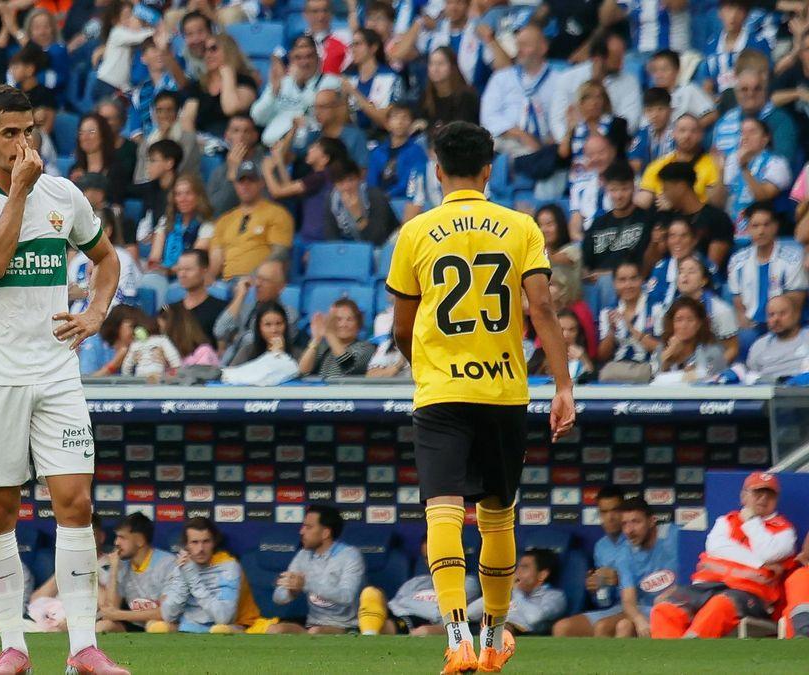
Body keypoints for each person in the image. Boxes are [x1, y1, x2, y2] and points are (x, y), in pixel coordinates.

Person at [0, 84, 129, 675]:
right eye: (12, 132)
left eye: (31, 131)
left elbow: (107, 259)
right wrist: (18, 192)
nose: (24, 144)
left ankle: (83, 648)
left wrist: (96, 313)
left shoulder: (64, 194)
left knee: (76, 503)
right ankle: (13, 647)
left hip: (56, 372)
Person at [385, 121, 575, 673]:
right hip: (503, 391)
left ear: (437, 170)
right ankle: (494, 639)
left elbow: (402, 325)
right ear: (490, 169)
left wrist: (427, 366)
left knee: (442, 508)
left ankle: (455, 634)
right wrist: (562, 387)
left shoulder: (416, 231)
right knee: (497, 516)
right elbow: (542, 310)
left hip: (443, 390)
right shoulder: (520, 227)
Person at [652, 472, 797, 639]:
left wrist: (751, 522)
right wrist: (760, 565)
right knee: (665, 608)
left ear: (776, 499)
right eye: (757, 492)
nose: (763, 498)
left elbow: (767, 552)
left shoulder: (785, 531)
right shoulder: (726, 520)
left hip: (749, 594)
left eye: (769, 494)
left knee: (720, 604)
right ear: (744, 496)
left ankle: (687, 656)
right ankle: (667, 660)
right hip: (705, 587)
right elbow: (716, 547)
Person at [266, 506, 365, 635]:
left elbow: (347, 597)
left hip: (346, 627)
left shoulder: (350, 555)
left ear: (325, 533)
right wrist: (291, 591)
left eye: (308, 527)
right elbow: (278, 597)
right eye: (303, 526)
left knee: (316, 632)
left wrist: (305, 584)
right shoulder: (303, 555)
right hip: (312, 625)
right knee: (275, 629)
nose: (301, 532)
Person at [157, 517, 260, 634]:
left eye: (206, 542)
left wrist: (192, 577)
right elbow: (168, 615)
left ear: (214, 543)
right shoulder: (182, 566)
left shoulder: (228, 567)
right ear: (186, 545)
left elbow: (224, 618)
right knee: (156, 627)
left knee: (220, 630)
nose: (200, 549)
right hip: (188, 627)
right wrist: (182, 575)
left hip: (227, 627)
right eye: (194, 542)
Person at [552, 487, 629, 637]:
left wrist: (620, 579)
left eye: (615, 510)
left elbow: (651, 582)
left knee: (602, 628)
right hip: (613, 609)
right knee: (562, 628)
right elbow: (604, 602)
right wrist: (597, 588)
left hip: (638, 606)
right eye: (604, 512)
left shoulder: (636, 538)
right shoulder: (601, 546)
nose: (610, 517)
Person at [729, 203, 806, 349]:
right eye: (755, 226)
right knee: (744, 338)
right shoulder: (736, 261)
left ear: (775, 226)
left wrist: (778, 324)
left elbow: (796, 302)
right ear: (748, 229)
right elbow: (738, 303)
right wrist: (743, 321)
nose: (761, 231)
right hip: (753, 326)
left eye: (766, 225)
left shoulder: (793, 259)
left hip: (785, 324)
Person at [583, 163, 658, 309]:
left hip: (633, 282)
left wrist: (609, 274)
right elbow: (585, 266)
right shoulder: (598, 224)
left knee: (608, 281)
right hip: (599, 286)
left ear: (633, 187)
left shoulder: (647, 219)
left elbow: (645, 265)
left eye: (624, 189)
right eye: (613, 189)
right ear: (606, 189)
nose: (618, 196)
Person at [608, 498, 682, 638]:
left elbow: (697, 575)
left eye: (636, 522)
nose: (629, 530)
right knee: (624, 626)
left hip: (681, 606)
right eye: (624, 524)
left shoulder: (675, 536)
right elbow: (628, 600)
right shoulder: (624, 553)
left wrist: (674, 592)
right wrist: (639, 620)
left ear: (651, 521)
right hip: (649, 611)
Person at [209, 161, 294, 281]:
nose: (245, 185)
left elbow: (280, 253)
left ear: (261, 183)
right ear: (235, 185)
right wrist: (209, 281)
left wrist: (255, 274)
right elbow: (216, 256)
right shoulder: (225, 219)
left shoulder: (277, 213)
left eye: (251, 180)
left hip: (259, 281)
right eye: (241, 181)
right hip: (226, 283)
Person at [480, 25, 556, 158]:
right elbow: (488, 116)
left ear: (543, 48)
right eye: (518, 45)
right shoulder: (501, 77)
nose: (519, 50)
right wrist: (520, 134)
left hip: (547, 144)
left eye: (525, 45)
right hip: (507, 141)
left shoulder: (558, 80)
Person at [250, 35, 339, 148]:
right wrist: (273, 93)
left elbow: (322, 119)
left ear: (318, 58)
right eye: (298, 57)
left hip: (309, 148)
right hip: (271, 148)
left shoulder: (330, 83)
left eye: (309, 56)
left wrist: (303, 83)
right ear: (291, 59)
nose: (304, 63)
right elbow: (257, 117)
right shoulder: (282, 83)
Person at [549, 33, 642, 138]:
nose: (622, 64)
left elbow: (631, 122)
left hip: (613, 146)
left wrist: (601, 144)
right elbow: (557, 121)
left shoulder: (629, 82)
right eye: (616, 59)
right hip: (573, 145)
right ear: (598, 58)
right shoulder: (568, 78)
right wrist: (574, 144)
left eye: (622, 57)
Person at [98, 512, 177, 633]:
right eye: (117, 537)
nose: (116, 543)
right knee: (102, 626)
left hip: (165, 624)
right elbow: (109, 612)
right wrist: (114, 569)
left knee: (155, 626)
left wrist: (119, 615)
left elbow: (165, 612)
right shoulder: (121, 565)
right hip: (134, 625)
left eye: (122, 537)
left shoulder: (168, 564)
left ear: (140, 540)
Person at [263, 135, 349, 243]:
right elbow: (288, 187)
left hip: (317, 239)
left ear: (324, 159)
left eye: (315, 147)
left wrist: (266, 170)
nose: (310, 149)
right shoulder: (321, 176)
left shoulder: (319, 177)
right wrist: (280, 161)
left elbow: (277, 192)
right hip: (315, 237)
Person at [404, 0, 504, 90]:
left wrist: (490, 40)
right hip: (439, 99)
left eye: (459, 2)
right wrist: (419, 22)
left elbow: (505, 67)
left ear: (468, 5)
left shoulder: (478, 32)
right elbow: (398, 54)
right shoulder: (435, 33)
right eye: (449, 2)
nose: (453, 7)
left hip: (472, 101)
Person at [465, 549, 567, 637]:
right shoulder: (510, 592)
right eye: (518, 567)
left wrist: (517, 591)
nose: (517, 572)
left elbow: (535, 619)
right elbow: (470, 613)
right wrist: (500, 593)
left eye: (524, 567)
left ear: (542, 575)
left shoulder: (554, 596)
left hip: (524, 636)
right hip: (488, 630)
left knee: (499, 626)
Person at [177, 32, 258, 142]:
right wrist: (194, 143)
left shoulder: (245, 81)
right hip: (202, 143)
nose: (208, 54)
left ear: (229, 51)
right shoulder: (199, 85)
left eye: (213, 49)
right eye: (205, 50)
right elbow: (187, 118)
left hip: (234, 143)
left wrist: (227, 73)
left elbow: (231, 108)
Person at [215, 261, 298, 364]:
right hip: (229, 368)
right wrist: (240, 296)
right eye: (257, 278)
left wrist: (236, 337)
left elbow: (255, 341)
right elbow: (220, 331)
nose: (258, 284)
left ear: (280, 287)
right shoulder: (245, 309)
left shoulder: (288, 314)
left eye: (265, 280)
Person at [713, 67, 798, 166]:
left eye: (757, 89)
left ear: (765, 92)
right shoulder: (725, 121)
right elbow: (715, 159)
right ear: (736, 93)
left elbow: (782, 163)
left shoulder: (781, 121)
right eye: (744, 89)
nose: (751, 94)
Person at [656, 162, 734, 270]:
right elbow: (659, 261)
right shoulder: (669, 219)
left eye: (666, 189)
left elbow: (712, 267)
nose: (664, 194)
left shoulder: (717, 218)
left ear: (680, 187)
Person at [638, 114, 722, 210]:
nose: (687, 136)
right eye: (682, 130)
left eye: (693, 131)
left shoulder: (712, 164)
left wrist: (676, 203)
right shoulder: (657, 165)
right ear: (673, 134)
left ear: (701, 135)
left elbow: (716, 205)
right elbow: (643, 200)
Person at [723, 118, 793, 230]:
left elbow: (763, 197)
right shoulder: (732, 160)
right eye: (742, 132)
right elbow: (725, 198)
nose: (745, 137)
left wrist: (744, 169)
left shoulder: (776, 162)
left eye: (752, 132)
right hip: (733, 227)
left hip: (763, 229)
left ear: (765, 139)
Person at [368, 103, 428, 220]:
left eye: (405, 117)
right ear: (387, 123)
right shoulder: (377, 152)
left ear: (411, 123)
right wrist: (376, 197)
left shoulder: (417, 151)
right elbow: (371, 180)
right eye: (395, 117)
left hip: (404, 201)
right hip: (379, 202)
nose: (400, 122)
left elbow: (412, 181)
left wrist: (388, 195)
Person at [340, 27, 403, 133]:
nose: (353, 49)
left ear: (373, 48)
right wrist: (344, 100)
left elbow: (385, 121)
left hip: (382, 138)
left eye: (358, 44)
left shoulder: (390, 77)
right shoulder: (349, 77)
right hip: (355, 138)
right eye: (352, 45)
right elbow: (344, 121)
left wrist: (353, 92)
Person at [148, 174, 214, 275]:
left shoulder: (206, 226)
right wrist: (157, 268)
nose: (183, 199)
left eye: (188, 193)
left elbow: (194, 261)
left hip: (188, 276)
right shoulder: (166, 221)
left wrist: (168, 271)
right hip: (162, 274)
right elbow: (154, 257)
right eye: (178, 194)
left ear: (198, 196)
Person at [597, 261, 657, 370]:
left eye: (633, 279)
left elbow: (660, 349)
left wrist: (630, 327)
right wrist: (611, 330)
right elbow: (602, 356)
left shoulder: (656, 308)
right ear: (614, 283)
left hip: (648, 369)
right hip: (618, 370)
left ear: (642, 280)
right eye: (622, 280)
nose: (628, 285)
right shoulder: (607, 312)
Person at [653, 296, 727, 380]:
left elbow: (714, 380)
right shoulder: (662, 348)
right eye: (679, 320)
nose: (684, 326)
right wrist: (668, 355)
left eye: (690, 320)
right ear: (672, 323)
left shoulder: (712, 351)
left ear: (699, 324)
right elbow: (653, 380)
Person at [132, 90, 197, 185]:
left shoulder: (188, 138)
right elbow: (139, 177)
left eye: (169, 110)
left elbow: (180, 169)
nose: (164, 115)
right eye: (159, 110)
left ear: (177, 112)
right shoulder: (147, 142)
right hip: (150, 190)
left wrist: (165, 137)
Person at [323, 159, 396, 243]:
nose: (347, 187)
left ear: (359, 179)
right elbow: (331, 236)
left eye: (351, 180)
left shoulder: (375, 196)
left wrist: (357, 215)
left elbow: (377, 239)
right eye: (341, 183)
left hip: (385, 246)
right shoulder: (332, 200)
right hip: (351, 249)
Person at [299, 298, 375, 378]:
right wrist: (316, 339)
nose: (343, 324)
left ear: (358, 324)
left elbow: (349, 366)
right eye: (338, 319)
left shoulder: (366, 347)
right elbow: (302, 371)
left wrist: (329, 333)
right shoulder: (324, 347)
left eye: (349, 320)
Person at [207, 114, 262, 217]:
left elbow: (261, 202)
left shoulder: (265, 165)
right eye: (236, 131)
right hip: (228, 225)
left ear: (255, 136)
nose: (241, 136)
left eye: (246, 131)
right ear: (227, 136)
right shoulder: (219, 171)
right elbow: (216, 211)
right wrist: (232, 172)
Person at [746, 295, 809, 382]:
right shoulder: (759, 345)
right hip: (767, 391)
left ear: (796, 315)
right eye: (771, 315)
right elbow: (751, 378)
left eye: (782, 313)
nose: (776, 319)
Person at [416, 47, 482, 130]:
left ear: (452, 66)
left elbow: (463, 128)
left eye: (440, 64)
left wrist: (429, 126)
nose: (435, 69)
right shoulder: (426, 96)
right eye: (431, 64)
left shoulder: (466, 96)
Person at [646, 50, 714, 125]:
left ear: (677, 70)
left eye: (664, 70)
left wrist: (689, 130)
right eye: (655, 70)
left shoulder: (688, 89)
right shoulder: (651, 96)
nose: (659, 75)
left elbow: (711, 114)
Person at [298, 0, 348, 74]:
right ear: (305, 15)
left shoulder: (345, 38)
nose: (321, 16)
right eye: (315, 11)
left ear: (331, 14)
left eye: (325, 11)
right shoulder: (297, 40)